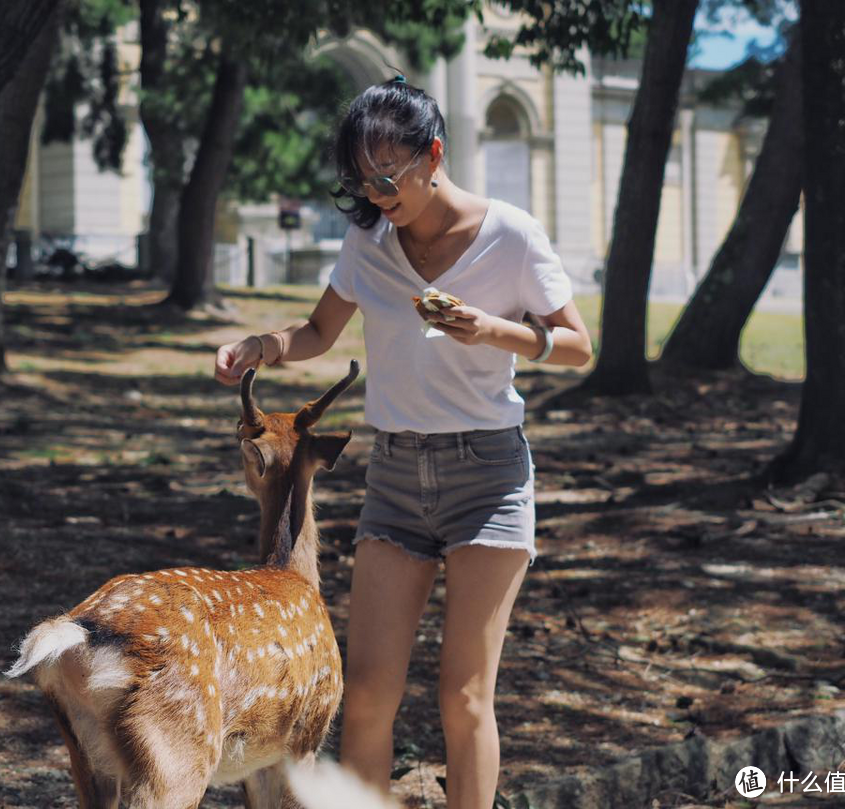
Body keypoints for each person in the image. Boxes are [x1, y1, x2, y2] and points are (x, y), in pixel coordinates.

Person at [215, 76, 593, 809]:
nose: (377, 193)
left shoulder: (509, 234)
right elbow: (321, 330)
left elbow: (579, 345)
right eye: (362, 180)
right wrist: (260, 344)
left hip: (488, 475)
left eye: (388, 177)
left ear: (434, 154)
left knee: (464, 698)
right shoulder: (369, 241)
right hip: (394, 475)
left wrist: (494, 330)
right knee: (366, 696)